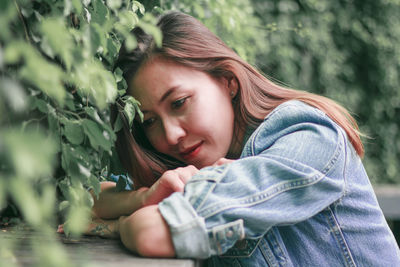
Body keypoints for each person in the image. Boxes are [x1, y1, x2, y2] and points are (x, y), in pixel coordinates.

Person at [69, 11, 400, 266]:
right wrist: (143, 199)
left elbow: (150, 232)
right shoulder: (190, 166)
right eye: (151, 122)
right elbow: (79, 202)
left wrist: (118, 225)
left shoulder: (307, 139)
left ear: (227, 80)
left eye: (179, 103)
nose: (170, 135)